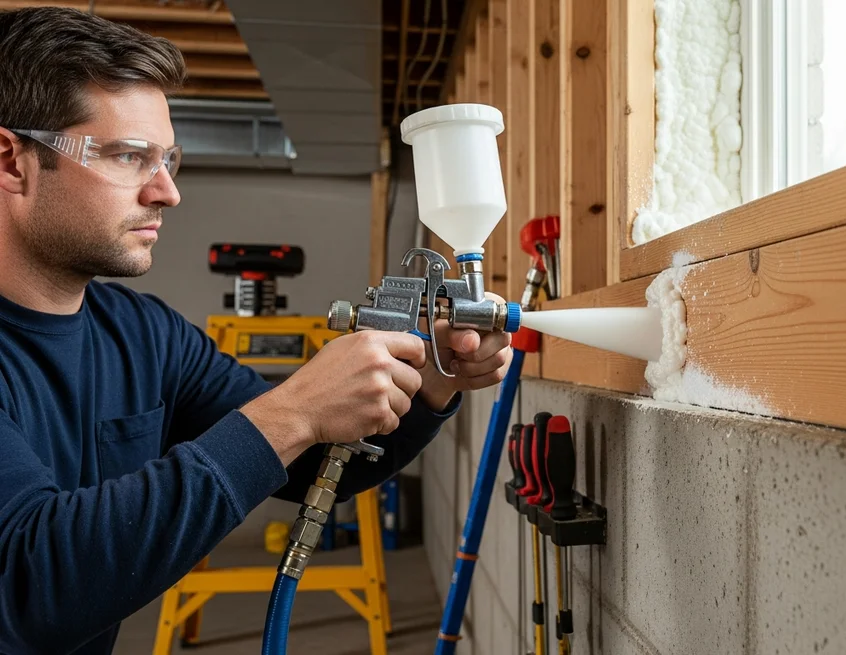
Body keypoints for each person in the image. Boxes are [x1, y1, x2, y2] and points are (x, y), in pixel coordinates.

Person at [0, 7, 514, 653]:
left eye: (168, 159)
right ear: (12, 161)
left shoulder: (144, 332)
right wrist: (292, 410)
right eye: (130, 156)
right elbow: (27, 584)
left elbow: (309, 469)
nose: (166, 191)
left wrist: (428, 383)